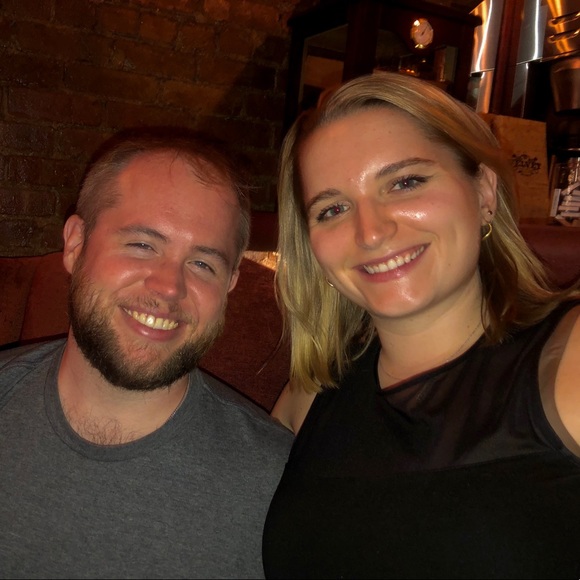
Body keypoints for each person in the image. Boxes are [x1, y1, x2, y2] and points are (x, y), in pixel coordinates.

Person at [262, 72, 580, 578]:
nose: (371, 232)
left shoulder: (569, 359)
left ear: (484, 192)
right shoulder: (314, 393)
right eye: (333, 209)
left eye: (405, 182)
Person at [0, 129, 293, 579]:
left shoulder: (282, 489)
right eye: (142, 245)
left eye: (203, 263)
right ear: (76, 244)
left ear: (230, 284)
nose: (169, 287)